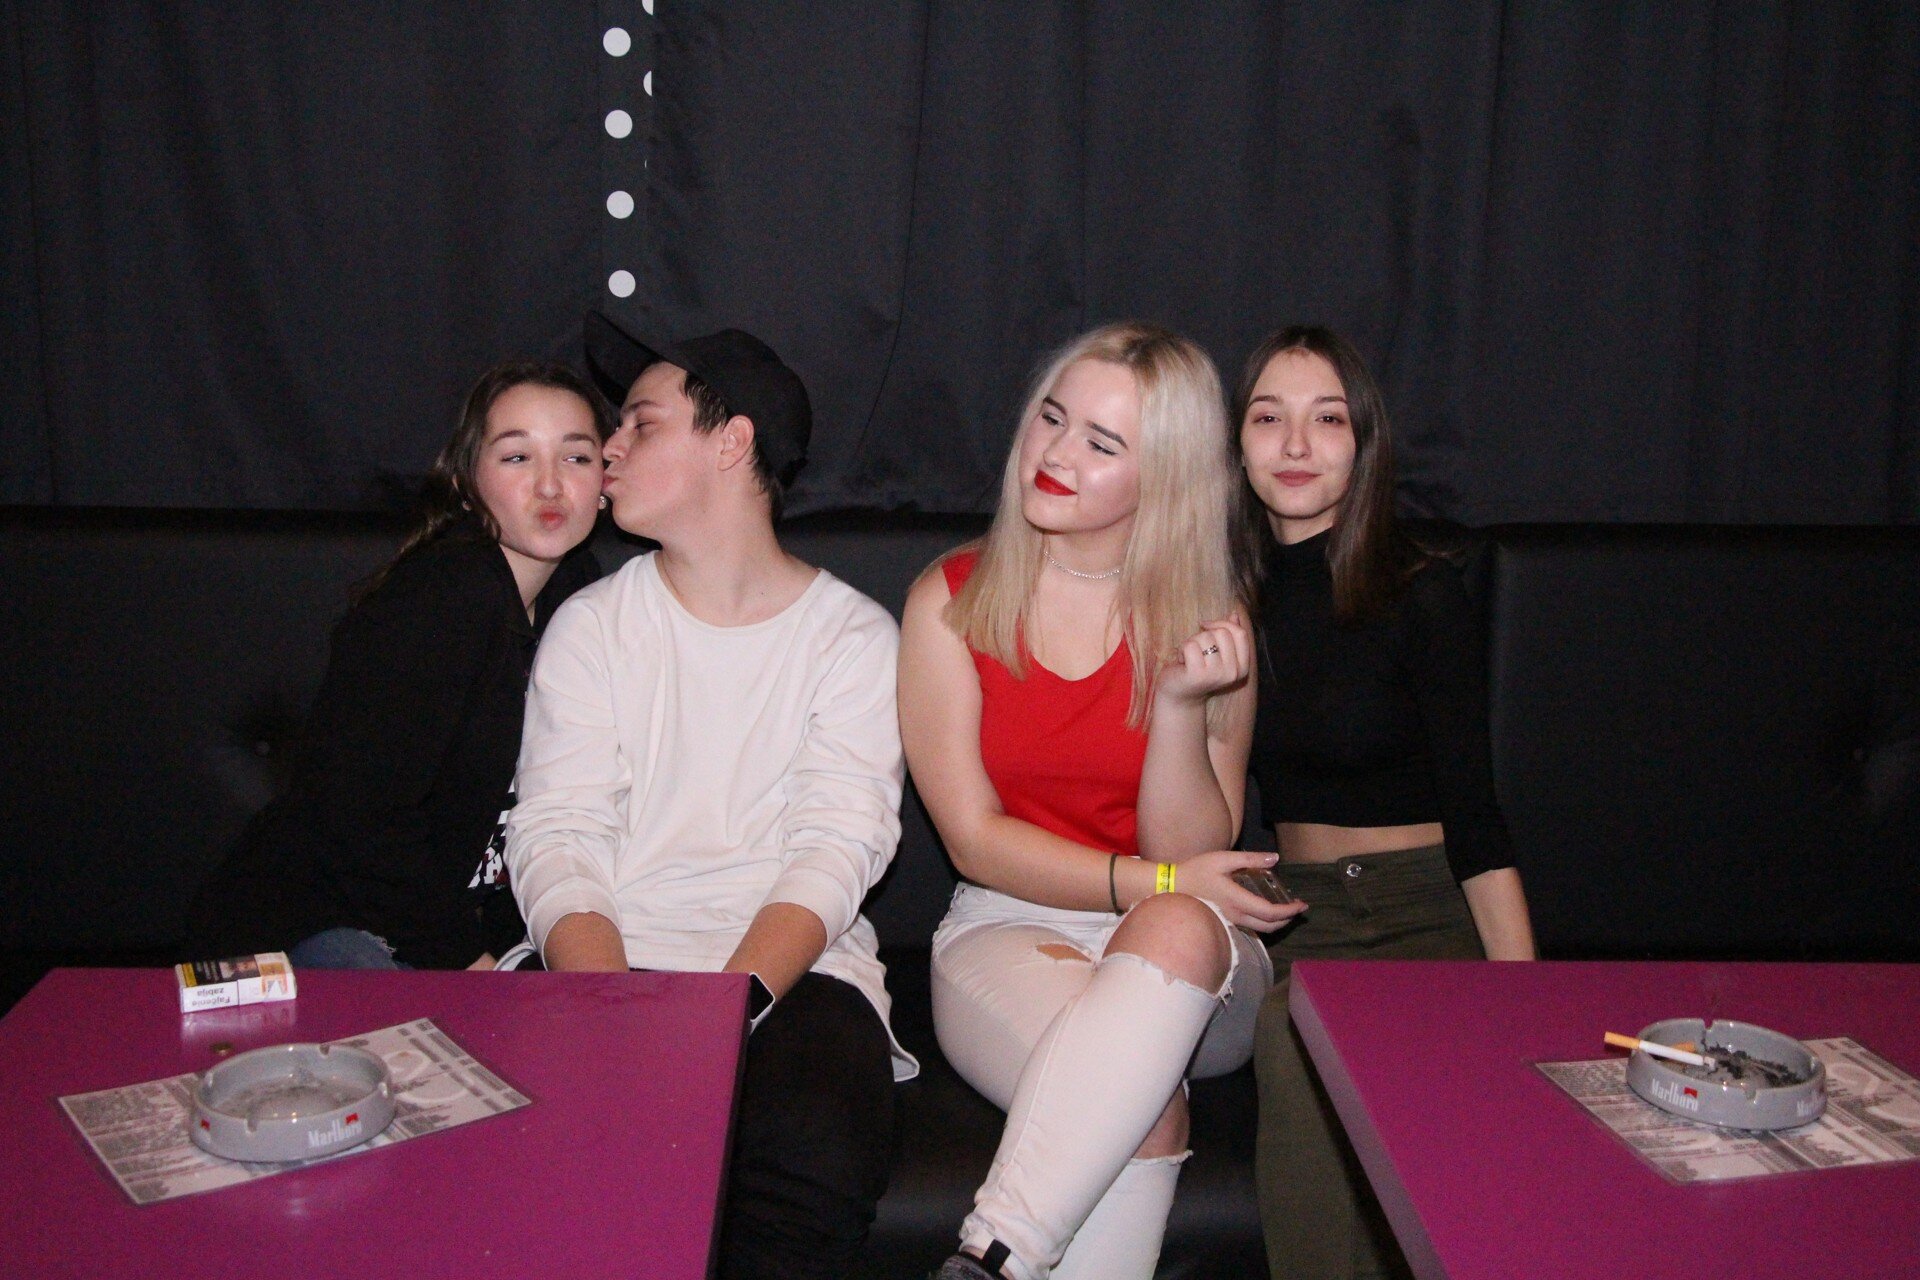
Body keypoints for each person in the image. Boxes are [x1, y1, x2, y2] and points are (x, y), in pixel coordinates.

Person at [504, 312, 910, 1280]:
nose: (609, 448)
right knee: (554, 1175)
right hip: (602, 961)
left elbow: (837, 845)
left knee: (808, 1165)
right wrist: (617, 1009)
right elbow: (557, 832)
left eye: (640, 423)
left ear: (732, 444)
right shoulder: (592, 625)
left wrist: (722, 1014)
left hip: (793, 976)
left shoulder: (853, 638)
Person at [898, 321, 1305, 1280]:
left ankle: (994, 1255)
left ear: (1164, 479)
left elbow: (1192, 850)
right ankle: (1003, 1258)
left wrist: (1177, 705)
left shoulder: (1213, 620)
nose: (1056, 453)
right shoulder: (949, 600)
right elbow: (974, 841)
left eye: (1102, 441)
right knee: (1143, 1108)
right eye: (1051, 418)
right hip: (1009, 924)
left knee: (1176, 925)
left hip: (1192, 957)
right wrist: (1158, 881)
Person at [1237, 325, 1537, 1280]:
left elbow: (1478, 818)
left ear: (1364, 442)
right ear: (1236, 442)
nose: (1295, 445)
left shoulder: (1420, 592)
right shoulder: (1223, 599)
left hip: (1426, 910)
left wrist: (1525, 1000)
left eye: (1327, 419)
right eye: (1268, 418)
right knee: (1289, 1039)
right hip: (1297, 916)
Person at [188, 362, 609, 970]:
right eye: (517, 457)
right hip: (316, 923)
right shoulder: (440, 597)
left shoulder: (580, 593)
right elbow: (355, 823)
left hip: (445, 927)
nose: (550, 485)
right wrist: (471, 962)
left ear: (603, 481)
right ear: (465, 482)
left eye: (575, 457)